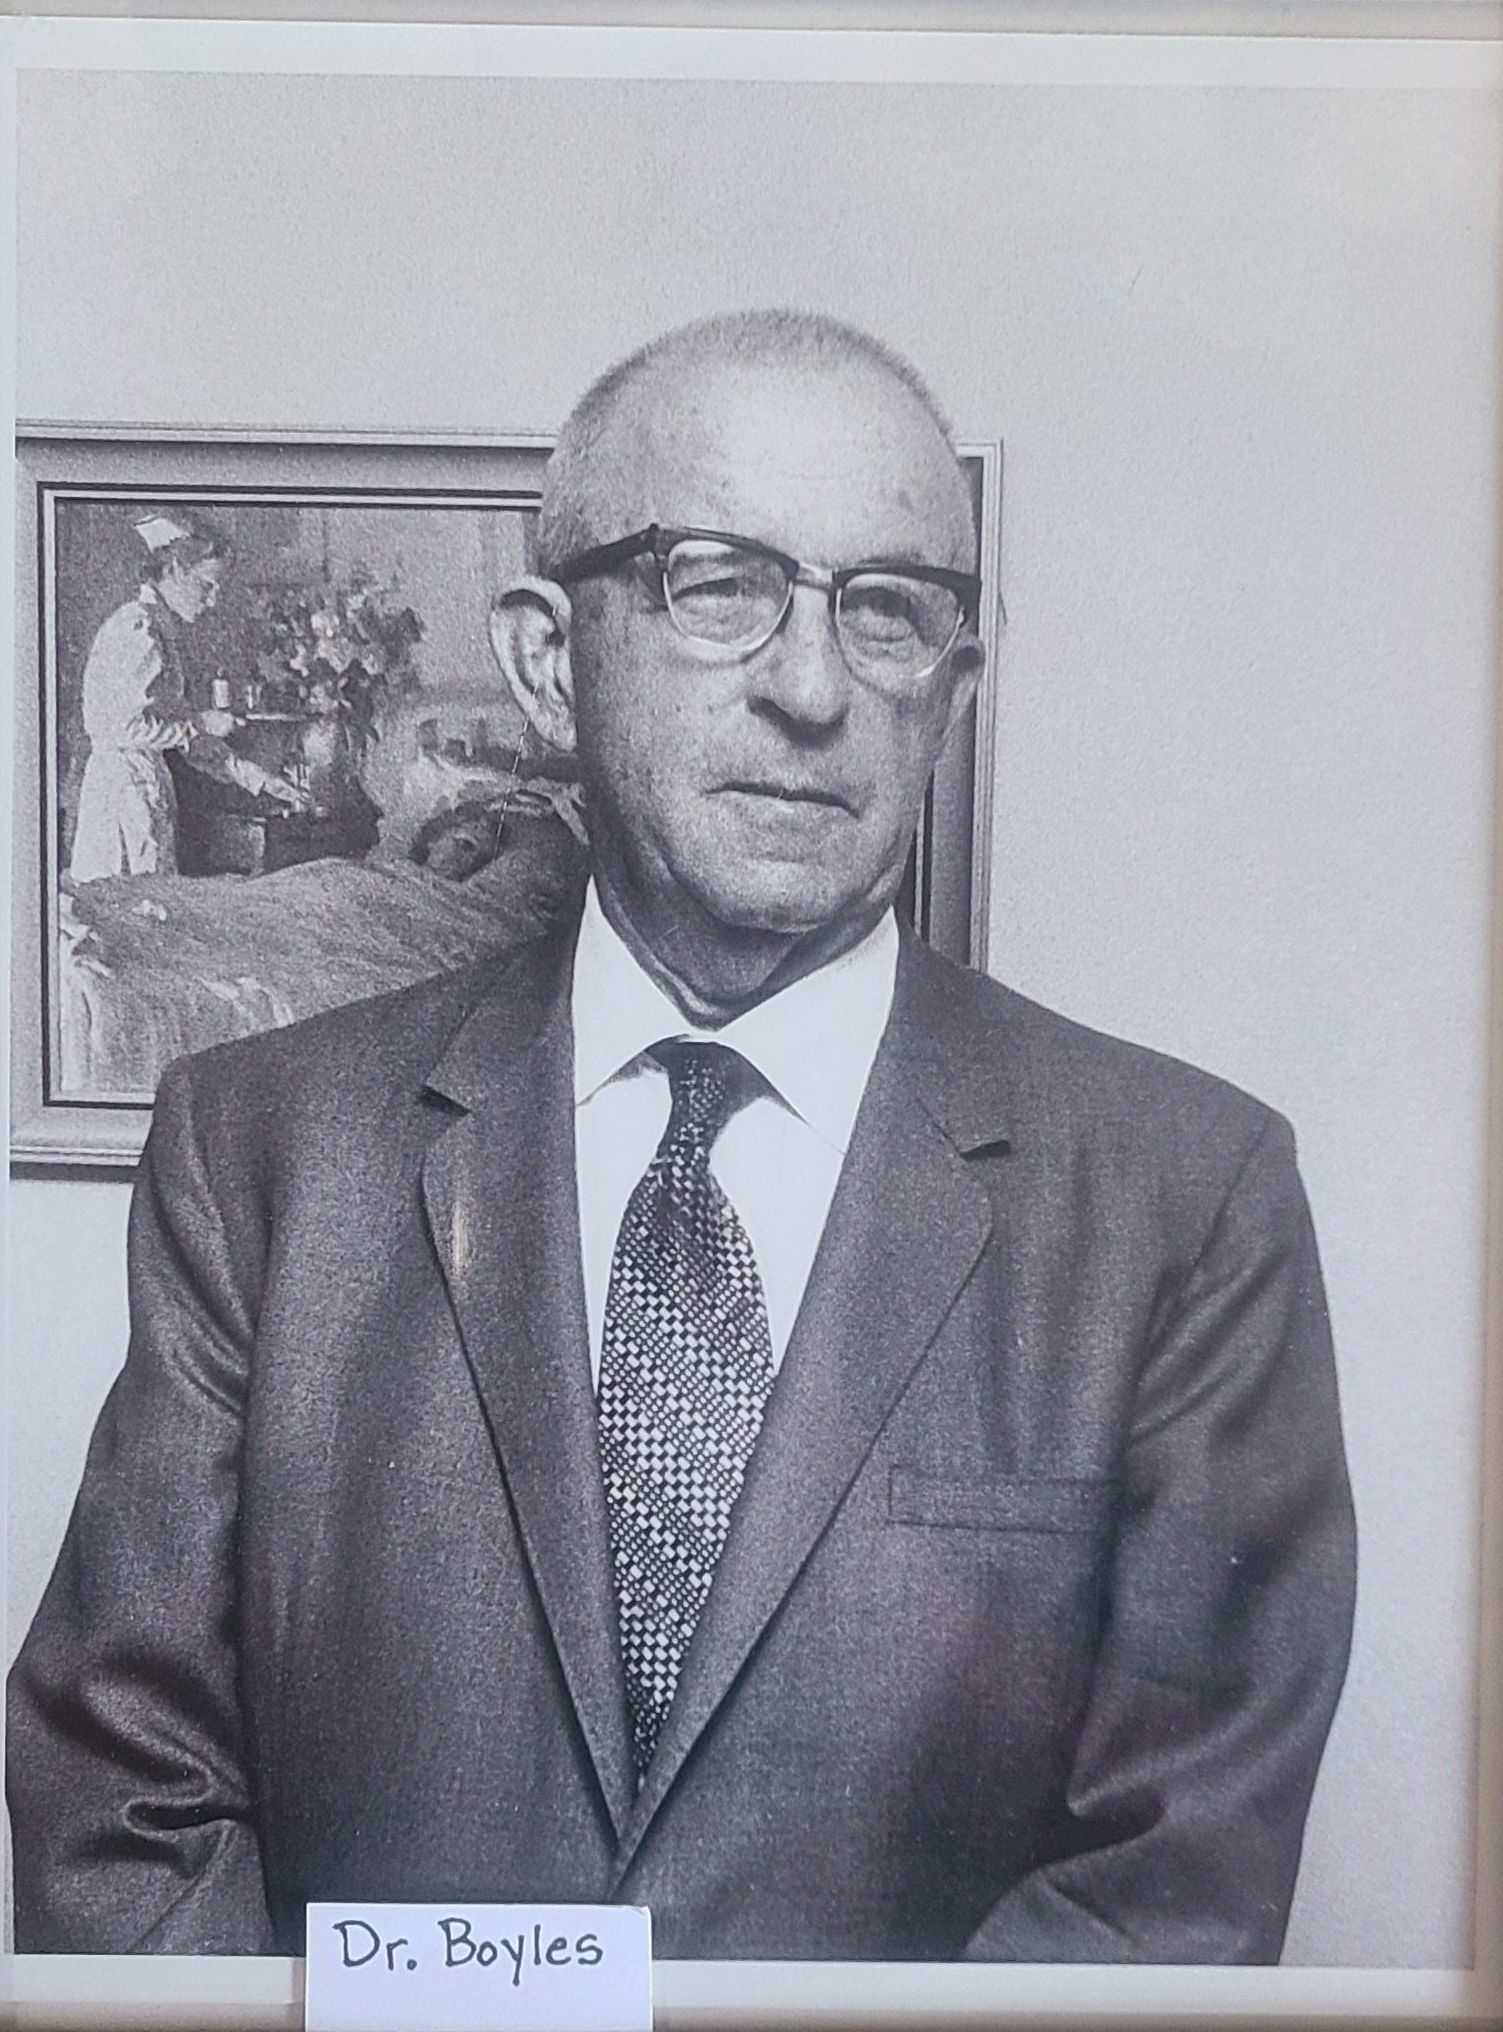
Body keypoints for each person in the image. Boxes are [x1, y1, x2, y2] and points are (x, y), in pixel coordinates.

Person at [8, 311, 1356, 1963]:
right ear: (545, 660)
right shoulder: (262, 1153)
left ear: (948, 690)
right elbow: (121, 1794)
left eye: (885, 609)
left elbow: (1174, 1879)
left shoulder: (1184, 1200)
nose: (810, 688)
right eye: (719, 587)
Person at [67, 511, 309, 882]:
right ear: (177, 569)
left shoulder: (159, 629)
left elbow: (183, 736)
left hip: (144, 788)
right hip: (121, 797)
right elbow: (121, 727)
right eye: (206, 586)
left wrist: (259, 779)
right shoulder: (137, 628)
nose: (212, 601)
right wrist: (199, 722)